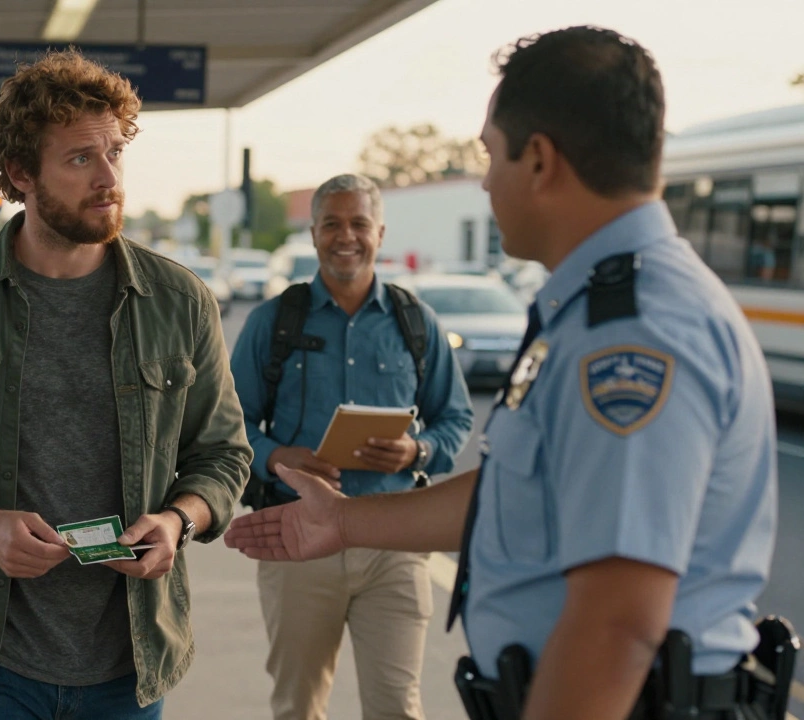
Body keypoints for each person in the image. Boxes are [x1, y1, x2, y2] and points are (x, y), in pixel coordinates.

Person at [225, 26, 783, 720]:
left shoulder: (632, 332)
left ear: (540, 161)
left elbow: (615, 624)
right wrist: (343, 520)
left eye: (491, 155)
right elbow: (521, 491)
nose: (486, 181)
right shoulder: (595, 308)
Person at [0, 49, 252, 719]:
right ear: (20, 173)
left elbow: (224, 455)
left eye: (114, 152)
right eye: (80, 159)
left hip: (130, 660)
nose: (108, 177)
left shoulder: (179, 302)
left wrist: (179, 521)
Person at [229, 173, 474, 720]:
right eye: (332, 224)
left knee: (396, 708)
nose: (346, 236)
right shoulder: (274, 321)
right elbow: (228, 425)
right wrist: (276, 456)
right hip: (297, 537)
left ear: (380, 233)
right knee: (298, 706)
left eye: (359, 224)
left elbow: (456, 417)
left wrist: (417, 451)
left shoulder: (416, 323)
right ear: (313, 232)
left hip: (396, 543)